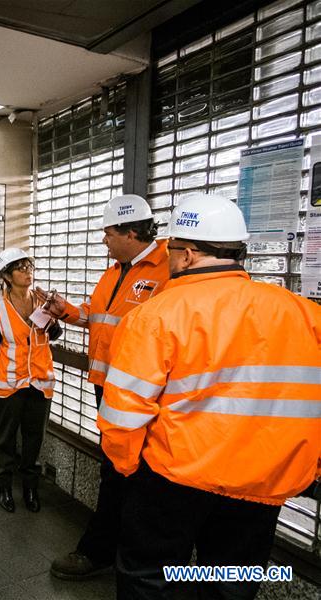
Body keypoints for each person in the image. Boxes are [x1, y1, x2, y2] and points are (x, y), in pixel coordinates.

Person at [99, 194, 321, 600]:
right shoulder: (305, 314)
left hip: (175, 477)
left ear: (185, 255)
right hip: (262, 483)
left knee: (151, 576)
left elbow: (123, 413)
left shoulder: (155, 315)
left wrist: (128, 470)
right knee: (229, 582)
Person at [36, 194, 170, 579]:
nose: (103, 240)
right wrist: (68, 311)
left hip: (142, 393)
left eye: (108, 232)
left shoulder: (166, 272)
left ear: (131, 232)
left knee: (126, 472)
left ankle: (106, 552)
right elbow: (101, 317)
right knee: (115, 467)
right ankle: (116, 551)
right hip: (108, 386)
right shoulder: (115, 270)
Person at [0, 248, 61, 513]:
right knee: (4, 438)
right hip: (10, 381)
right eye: (20, 268)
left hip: (40, 380)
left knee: (33, 438)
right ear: (6, 275)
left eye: (29, 267)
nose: (27, 272)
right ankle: (4, 487)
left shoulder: (42, 301)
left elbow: (55, 335)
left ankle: (30, 488)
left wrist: (50, 313)